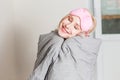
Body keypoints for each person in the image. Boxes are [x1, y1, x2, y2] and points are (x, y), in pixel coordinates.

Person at [28, 8, 101, 80]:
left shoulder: (78, 50)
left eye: (75, 27)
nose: (68, 26)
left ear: (81, 34)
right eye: (69, 19)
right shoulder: (54, 40)